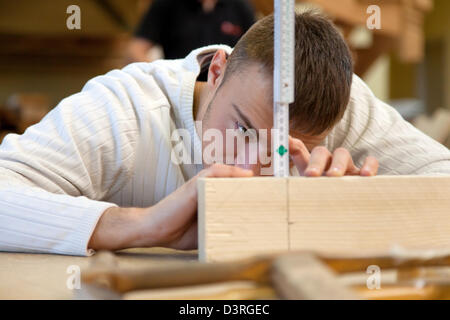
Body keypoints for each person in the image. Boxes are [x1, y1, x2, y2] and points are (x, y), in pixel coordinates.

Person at [0, 12, 449, 256]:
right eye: (243, 129)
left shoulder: (347, 109)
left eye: (287, 151)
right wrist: (136, 226)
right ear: (218, 70)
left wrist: (362, 207)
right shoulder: (124, 109)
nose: (250, 165)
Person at [128, 0, 255, 63]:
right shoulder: (166, 4)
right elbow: (135, 50)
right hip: (180, 89)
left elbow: (255, 52)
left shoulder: (240, 6)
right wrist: (162, 77)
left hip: (225, 88)